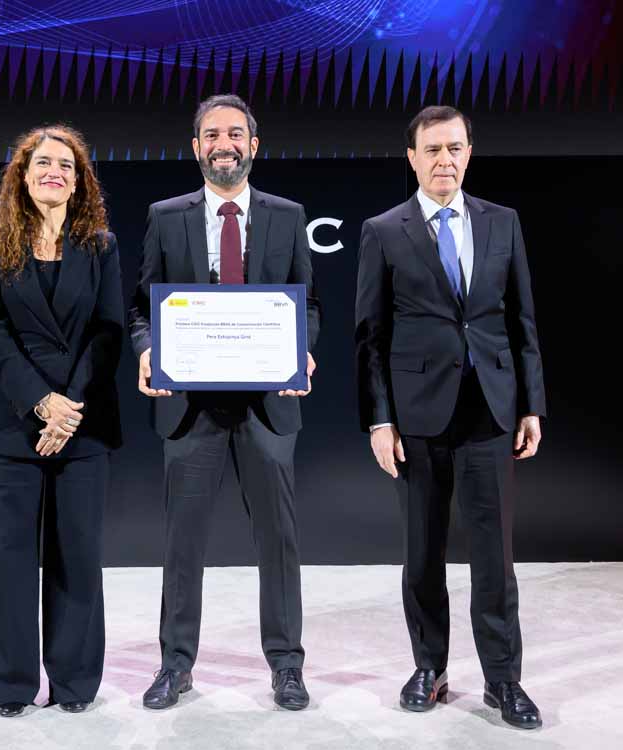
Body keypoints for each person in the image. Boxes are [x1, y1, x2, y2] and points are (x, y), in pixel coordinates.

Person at [354, 105, 547, 729]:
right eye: (432, 150)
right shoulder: (383, 229)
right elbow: (370, 338)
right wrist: (379, 421)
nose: (445, 161)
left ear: (469, 153)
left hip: (490, 411)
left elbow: (521, 323)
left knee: (495, 556)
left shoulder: (503, 222)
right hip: (418, 417)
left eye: (455, 149)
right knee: (423, 552)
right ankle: (429, 668)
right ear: (412, 157)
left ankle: (503, 681)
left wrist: (530, 404)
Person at [128, 94, 321, 711]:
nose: (224, 144)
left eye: (235, 134)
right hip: (190, 407)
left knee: (278, 541)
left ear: (253, 145)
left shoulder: (288, 216)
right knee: (183, 544)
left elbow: (306, 306)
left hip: (267, 404)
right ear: (196, 148)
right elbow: (141, 308)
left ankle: (287, 666)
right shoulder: (166, 215)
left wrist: (302, 350)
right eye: (212, 135)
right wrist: (145, 350)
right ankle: (175, 666)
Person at [0, 125, 123, 717]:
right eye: (43, 163)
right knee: (9, 560)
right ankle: (10, 685)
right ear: (23, 174)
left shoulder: (101, 245)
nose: (54, 172)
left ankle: (74, 682)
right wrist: (41, 402)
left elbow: (109, 331)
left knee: (78, 557)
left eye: (66, 164)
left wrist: (70, 406)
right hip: (12, 424)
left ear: (79, 178)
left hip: (83, 423)